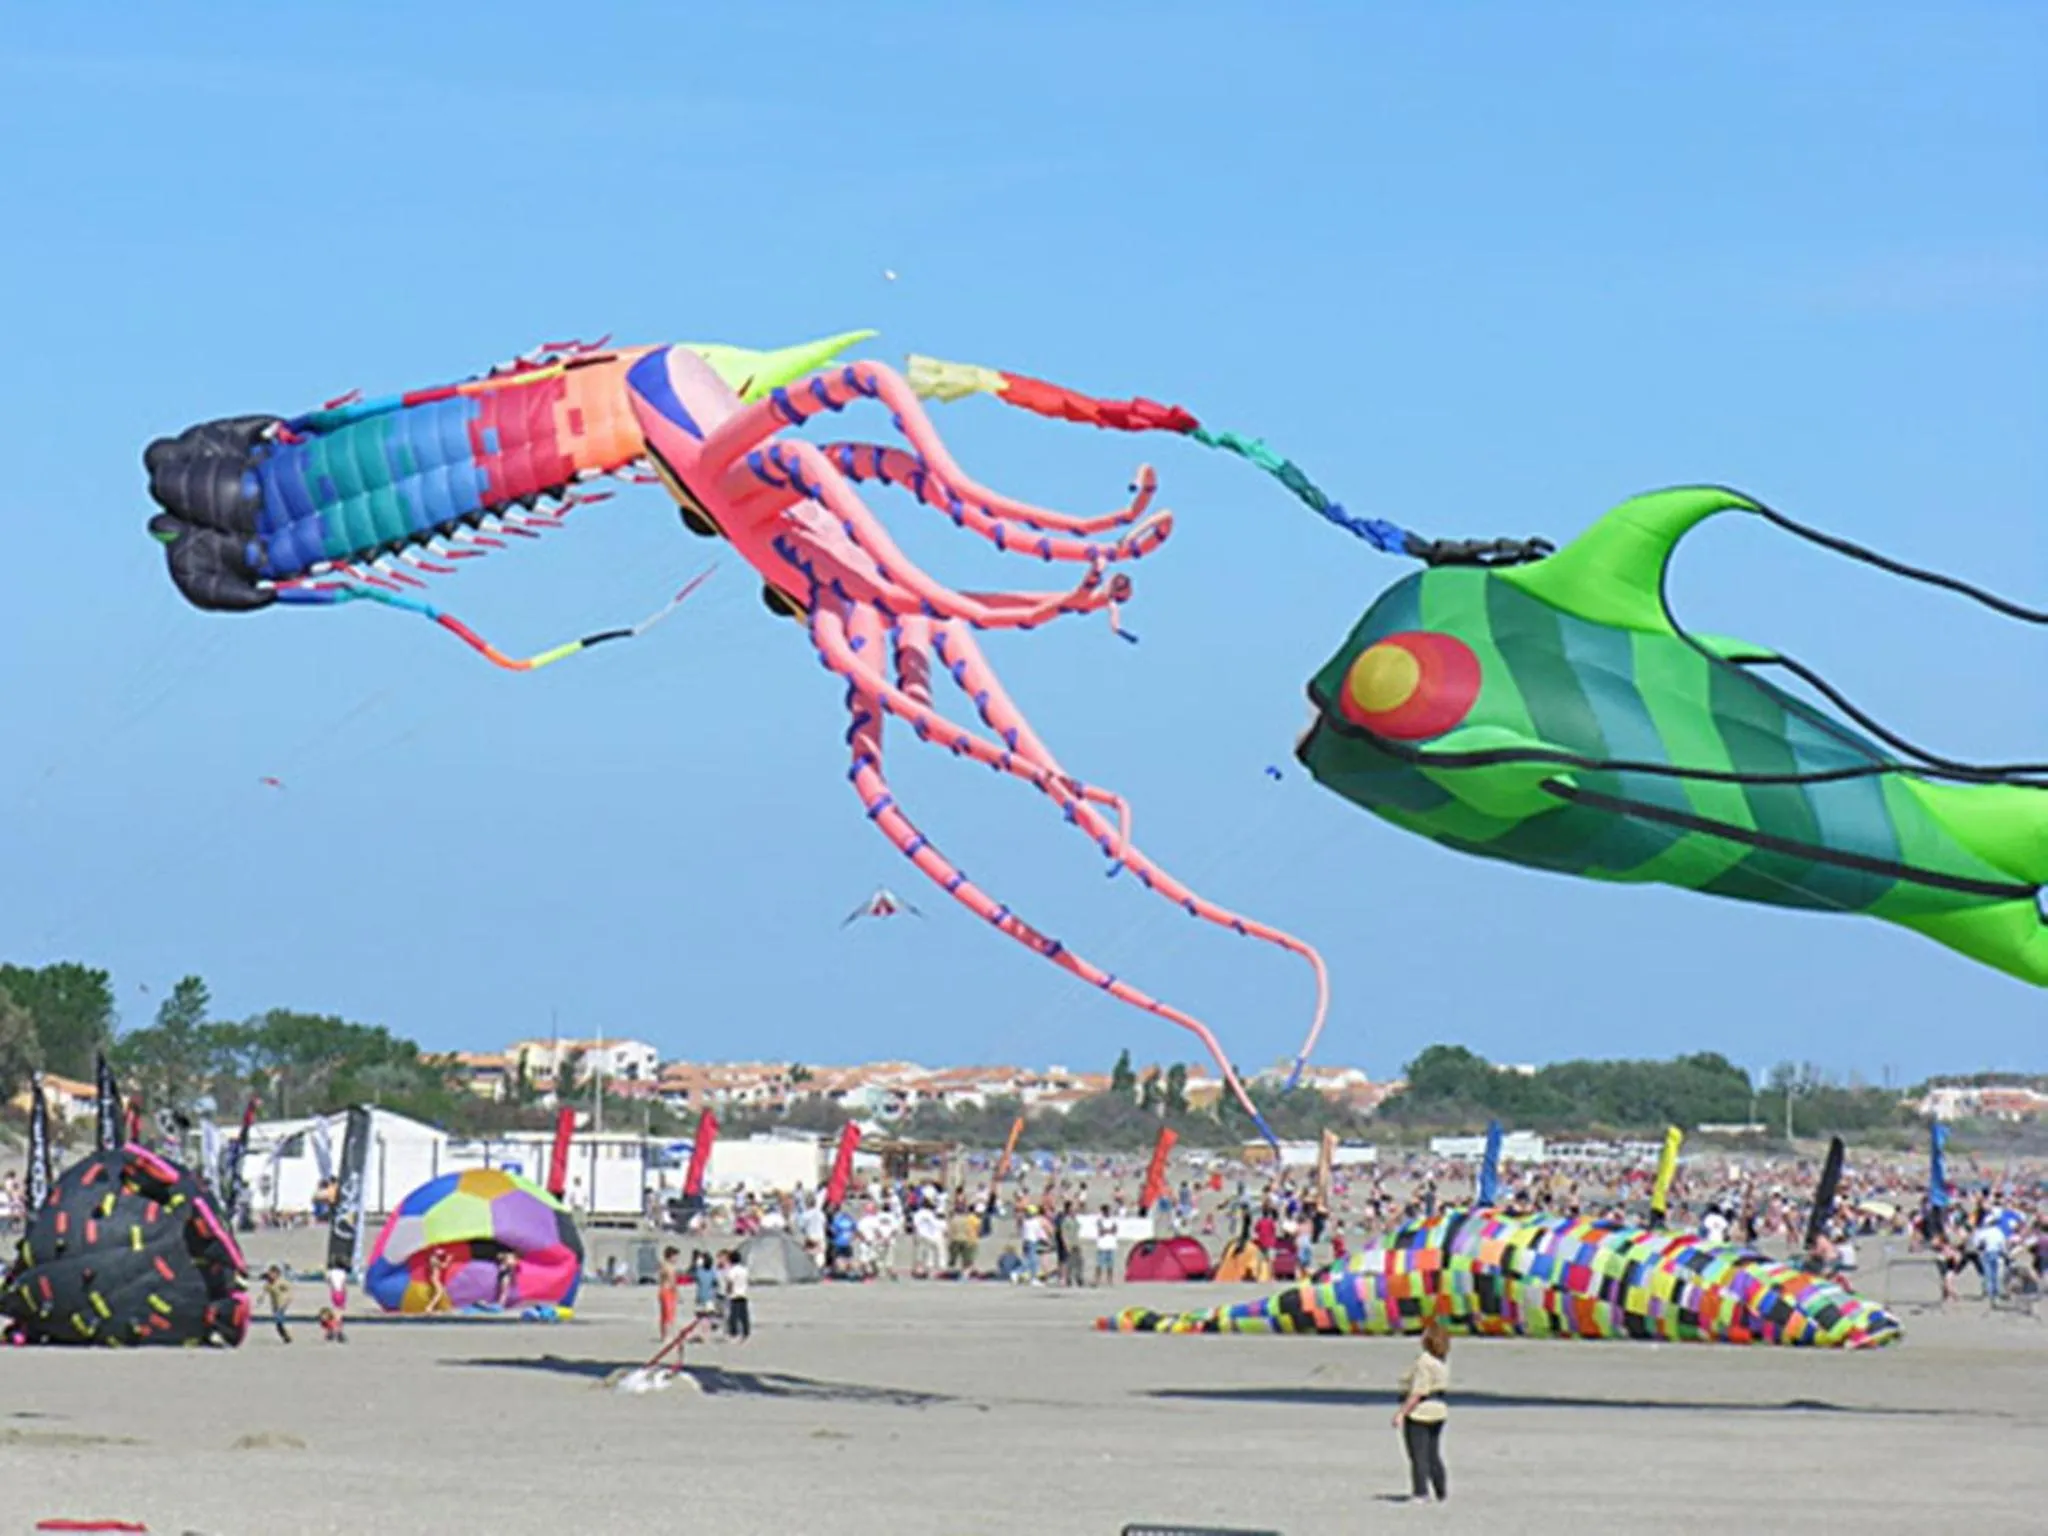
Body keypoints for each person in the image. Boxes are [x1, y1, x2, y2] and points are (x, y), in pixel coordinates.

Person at [1393, 1319, 1451, 1503]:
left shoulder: (1424, 1362)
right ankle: (1440, 1489)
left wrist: (1402, 1412)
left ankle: (1420, 1492)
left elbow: (1418, 1391)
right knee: (1433, 1453)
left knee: (1418, 1454)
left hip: (1421, 1411)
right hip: (1439, 1410)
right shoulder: (1441, 1361)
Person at [722, 1249, 752, 1342]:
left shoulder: (732, 1271)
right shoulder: (744, 1270)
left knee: (733, 1316)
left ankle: (734, 1333)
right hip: (743, 1294)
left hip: (734, 1295)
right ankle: (746, 1332)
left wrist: (727, 1292)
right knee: (744, 1315)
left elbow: (730, 1283)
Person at [261, 1264, 293, 1343]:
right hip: (275, 1306)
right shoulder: (269, 1284)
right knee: (278, 1324)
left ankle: (286, 1336)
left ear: (277, 1274)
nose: (271, 1276)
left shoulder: (280, 1282)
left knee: (279, 1321)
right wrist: (261, 1298)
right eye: (270, 1274)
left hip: (282, 1304)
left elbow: (289, 1289)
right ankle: (286, 1337)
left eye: (273, 1274)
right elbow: (264, 1291)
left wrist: (288, 1299)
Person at [657, 1246, 682, 1340]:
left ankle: (664, 1334)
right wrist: (677, 1294)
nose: (676, 1259)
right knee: (669, 1314)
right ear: (671, 1256)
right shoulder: (670, 1267)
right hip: (668, 1291)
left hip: (662, 1290)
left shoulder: (663, 1265)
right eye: (675, 1256)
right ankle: (668, 1335)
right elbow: (672, 1282)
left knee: (664, 1314)